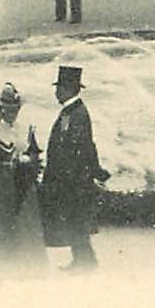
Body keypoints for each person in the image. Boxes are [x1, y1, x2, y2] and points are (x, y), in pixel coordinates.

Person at [41, 65, 110, 272]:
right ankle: (83, 260)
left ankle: (85, 262)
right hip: (74, 178)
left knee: (75, 220)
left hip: (72, 180)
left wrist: (66, 177)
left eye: (59, 87)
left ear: (69, 89)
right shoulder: (73, 112)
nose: (56, 92)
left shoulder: (75, 114)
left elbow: (77, 148)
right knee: (76, 220)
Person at [0, 83, 46, 274]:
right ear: (0, 109)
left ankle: (26, 265)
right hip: (0, 184)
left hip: (23, 182)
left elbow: (35, 153)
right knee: (0, 222)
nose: (12, 112)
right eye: (8, 109)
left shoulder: (26, 129)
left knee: (25, 223)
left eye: (15, 109)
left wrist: (28, 160)